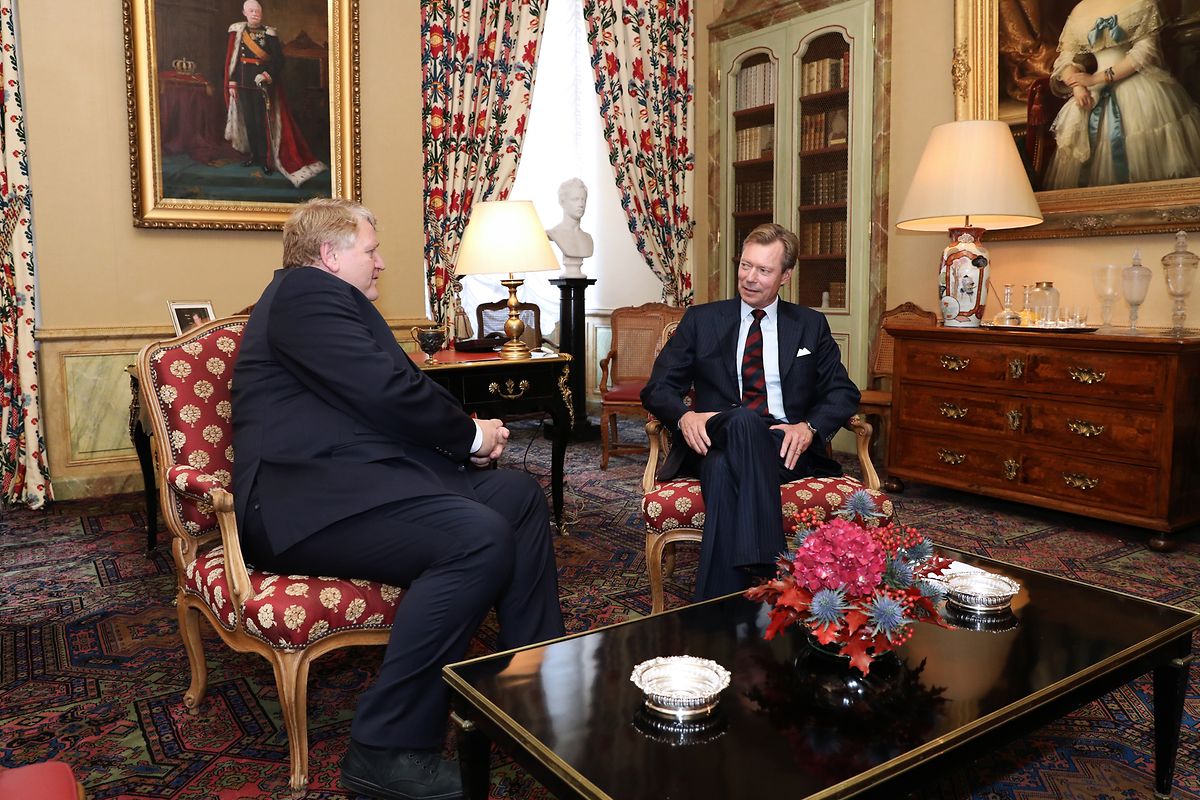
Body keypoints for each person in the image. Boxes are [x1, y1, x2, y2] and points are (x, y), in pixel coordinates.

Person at [231, 198, 564, 800]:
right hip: (304, 504)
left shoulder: (321, 301)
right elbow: (384, 391)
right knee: (477, 538)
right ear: (329, 257)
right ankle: (386, 750)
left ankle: (530, 688)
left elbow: (376, 403)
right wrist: (470, 434)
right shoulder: (307, 294)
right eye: (371, 250)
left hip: (358, 480)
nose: (381, 263)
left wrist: (468, 447)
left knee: (515, 496)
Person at [641, 223, 860, 601]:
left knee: (725, 468)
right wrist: (684, 417)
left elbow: (843, 391)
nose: (750, 278)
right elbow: (657, 387)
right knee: (741, 419)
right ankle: (769, 568)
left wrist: (809, 427)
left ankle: (715, 610)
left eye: (764, 270)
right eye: (745, 266)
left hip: (782, 449)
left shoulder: (809, 325)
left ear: (786, 276)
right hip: (713, 438)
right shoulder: (702, 320)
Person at [1044, 0, 1200, 189]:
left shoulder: (1141, 2)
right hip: (1092, 93)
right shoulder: (1079, 10)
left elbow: (1145, 51)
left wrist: (1096, 79)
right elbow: (1066, 59)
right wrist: (1076, 84)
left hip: (1138, 90)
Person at [224, 0, 327, 188]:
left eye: (258, 11)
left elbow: (279, 60)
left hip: (263, 85)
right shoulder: (239, 32)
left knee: (263, 122)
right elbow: (233, 59)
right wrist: (232, 82)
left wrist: (266, 75)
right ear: (244, 13)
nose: (255, 14)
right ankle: (254, 157)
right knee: (250, 122)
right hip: (244, 84)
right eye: (251, 11)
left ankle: (265, 160)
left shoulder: (269, 33)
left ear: (261, 14)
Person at [545, 178, 594, 278]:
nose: (581, 204)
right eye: (575, 199)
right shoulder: (554, 233)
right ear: (562, 202)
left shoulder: (587, 238)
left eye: (583, 199)